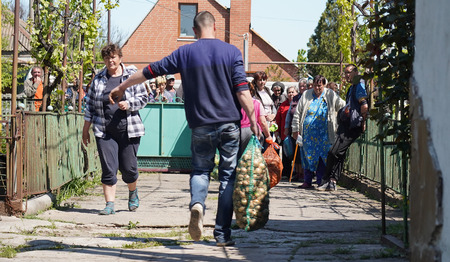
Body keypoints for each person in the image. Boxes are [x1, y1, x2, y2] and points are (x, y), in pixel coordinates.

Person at [108, 11, 258, 246]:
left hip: (200, 125)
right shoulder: (232, 52)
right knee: (228, 176)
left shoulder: (185, 52)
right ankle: (221, 234)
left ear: (194, 31)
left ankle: (197, 204)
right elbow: (242, 91)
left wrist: (123, 87)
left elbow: (150, 71)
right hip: (230, 125)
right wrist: (255, 120)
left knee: (200, 171)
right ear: (215, 28)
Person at [82, 44, 148, 215]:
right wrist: (85, 129)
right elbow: (89, 105)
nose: (110, 60)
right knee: (109, 168)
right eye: (106, 58)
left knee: (128, 168)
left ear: (120, 58)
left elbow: (144, 97)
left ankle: (132, 192)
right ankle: (109, 204)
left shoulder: (132, 75)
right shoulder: (98, 79)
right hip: (105, 131)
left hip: (129, 129)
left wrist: (130, 104)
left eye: (113, 57)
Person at [318, 64, 368, 191]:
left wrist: (363, 122)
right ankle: (332, 182)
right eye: (345, 73)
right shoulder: (352, 87)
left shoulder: (360, 84)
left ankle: (326, 179)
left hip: (352, 125)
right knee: (340, 152)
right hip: (346, 123)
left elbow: (364, 105)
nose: (346, 75)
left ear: (356, 72)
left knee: (333, 152)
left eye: (349, 72)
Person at [292, 75, 345, 189]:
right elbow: (298, 113)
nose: (317, 88)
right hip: (308, 134)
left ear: (324, 85)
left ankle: (321, 180)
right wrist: (295, 129)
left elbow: (341, 104)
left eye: (319, 86)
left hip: (324, 133)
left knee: (323, 156)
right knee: (307, 156)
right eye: (315, 86)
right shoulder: (306, 94)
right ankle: (307, 181)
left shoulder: (330, 94)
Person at [284, 78, 308, 180]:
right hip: (294, 128)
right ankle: (297, 173)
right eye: (300, 86)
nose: (302, 88)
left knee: (303, 151)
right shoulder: (295, 98)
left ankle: (304, 173)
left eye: (303, 86)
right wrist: (286, 126)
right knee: (296, 152)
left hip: (304, 128)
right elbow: (289, 113)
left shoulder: (308, 96)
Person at [239, 83, 271, 157]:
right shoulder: (256, 103)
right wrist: (268, 136)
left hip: (237, 131)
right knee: (253, 158)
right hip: (252, 132)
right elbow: (263, 122)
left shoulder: (236, 103)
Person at [274, 86, 298, 178]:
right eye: (289, 92)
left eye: (293, 92)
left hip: (296, 132)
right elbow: (278, 120)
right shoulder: (283, 105)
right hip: (285, 133)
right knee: (286, 154)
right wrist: (277, 132)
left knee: (296, 154)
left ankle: (296, 173)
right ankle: (286, 173)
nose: (291, 94)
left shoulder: (298, 103)